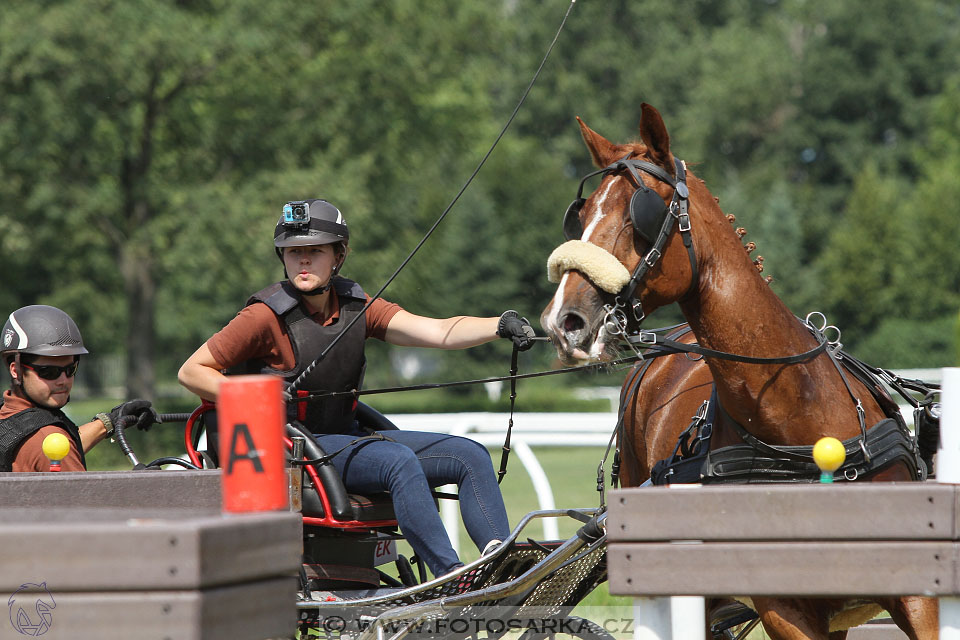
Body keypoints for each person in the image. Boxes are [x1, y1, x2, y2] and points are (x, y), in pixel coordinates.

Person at [178, 198, 537, 577]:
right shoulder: (263, 316)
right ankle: (452, 576)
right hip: (292, 452)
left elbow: (437, 331)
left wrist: (499, 324)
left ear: (338, 255)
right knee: (398, 462)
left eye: (314, 251)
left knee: (470, 455)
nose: (302, 261)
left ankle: (498, 564)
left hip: (344, 441)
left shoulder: (358, 307)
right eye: (293, 252)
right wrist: (254, 396)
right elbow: (192, 371)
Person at [0, 305, 158, 472]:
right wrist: (140, 486)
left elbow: (56, 443)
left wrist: (109, 421)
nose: (64, 380)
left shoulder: (8, 416)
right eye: (49, 372)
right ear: (16, 370)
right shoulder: (48, 442)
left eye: (70, 369)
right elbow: (81, 496)